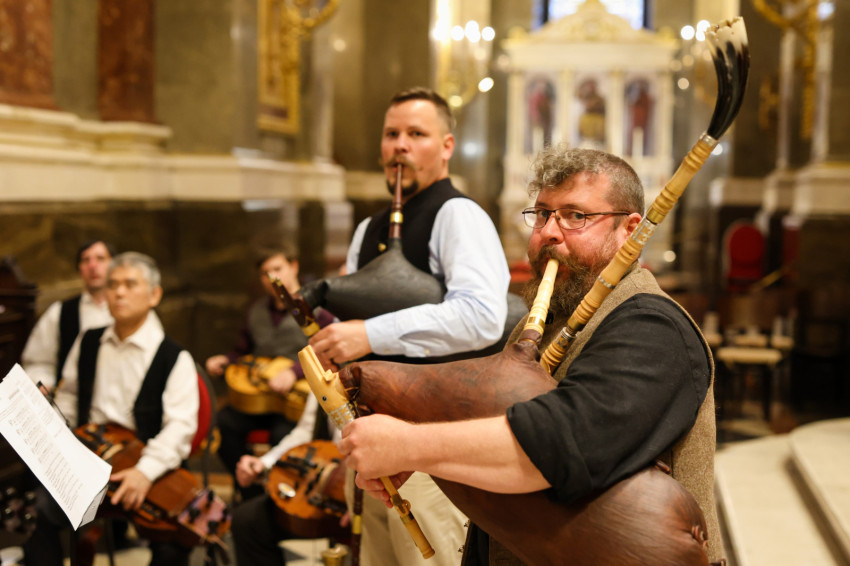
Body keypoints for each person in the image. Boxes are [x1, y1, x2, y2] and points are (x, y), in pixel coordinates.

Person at [340, 145, 722, 565]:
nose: (549, 232)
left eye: (576, 216)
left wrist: (409, 445)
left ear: (629, 230)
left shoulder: (653, 326)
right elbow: (500, 425)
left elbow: (561, 446)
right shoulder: (544, 321)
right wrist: (435, 462)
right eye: (542, 214)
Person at [308, 87, 511, 566]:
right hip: (369, 446)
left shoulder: (458, 214)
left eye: (416, 134)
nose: (400, 145)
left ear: (446, 146)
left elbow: (482, 315)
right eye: (391, 134)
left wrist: (368, 333)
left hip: (433, 449)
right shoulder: (368, 229)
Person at [24, 251, 199, 566]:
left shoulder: (174, 357)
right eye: (113, 285)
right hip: (90, 459)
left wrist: (144, 473)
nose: (118, 292)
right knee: (38, 512)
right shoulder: (89, 341)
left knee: (174, 542)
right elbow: (69, 397)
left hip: (146, 463)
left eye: (130, 284)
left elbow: (180, 427)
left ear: (154, 295)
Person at [206, 245, 334, 501]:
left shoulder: (319, 310)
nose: (272, 277)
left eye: (278, 268)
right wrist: (225, 361)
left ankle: (280, 497)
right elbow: (244, 352)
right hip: (262, 396)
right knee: (223, 424)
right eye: (266, 273)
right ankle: (251, 490)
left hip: (296, 401)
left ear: (293, 267)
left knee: (282, 435)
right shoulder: (256, 312)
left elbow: (329, 351)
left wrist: (294, 372)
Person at [230, 395, 341, 566]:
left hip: (360, 492)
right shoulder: (322, 379)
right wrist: (264, 463)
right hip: (318, 486)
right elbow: (305, 431)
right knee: (246, 520)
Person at [21, 239, 117, 391]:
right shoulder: (60, 312)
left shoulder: (128, 310)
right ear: (79, 269)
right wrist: (46, 385)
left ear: (114, 266)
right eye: (86, 260)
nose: (93, 266)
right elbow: (38, 362)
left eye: (100, 258)